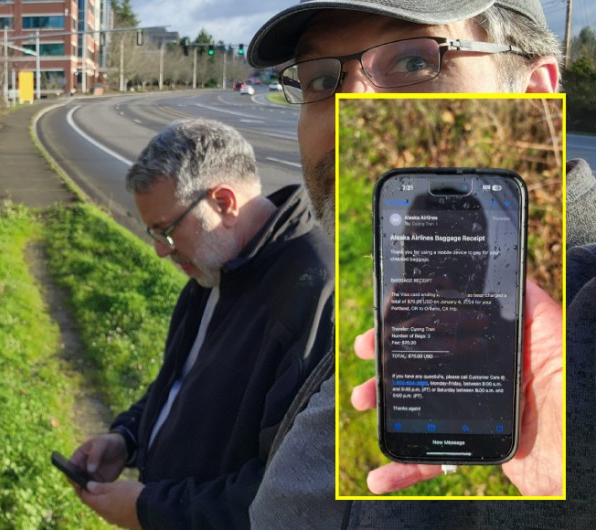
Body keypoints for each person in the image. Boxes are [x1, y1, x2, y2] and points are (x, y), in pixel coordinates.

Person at [243, 0, 593, 527]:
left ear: (535, 93)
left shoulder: (581, 320)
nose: (348, 112)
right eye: (320, 79)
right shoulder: (390, 284)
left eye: (412, 62)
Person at [68, 119, 333, 528]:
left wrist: (152, 510)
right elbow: (178, 382)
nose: (159, 250)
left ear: (224, 202)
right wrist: (127, 439)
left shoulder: (316, 292)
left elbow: (287, 489)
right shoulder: (212, 265)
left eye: (167, 231)